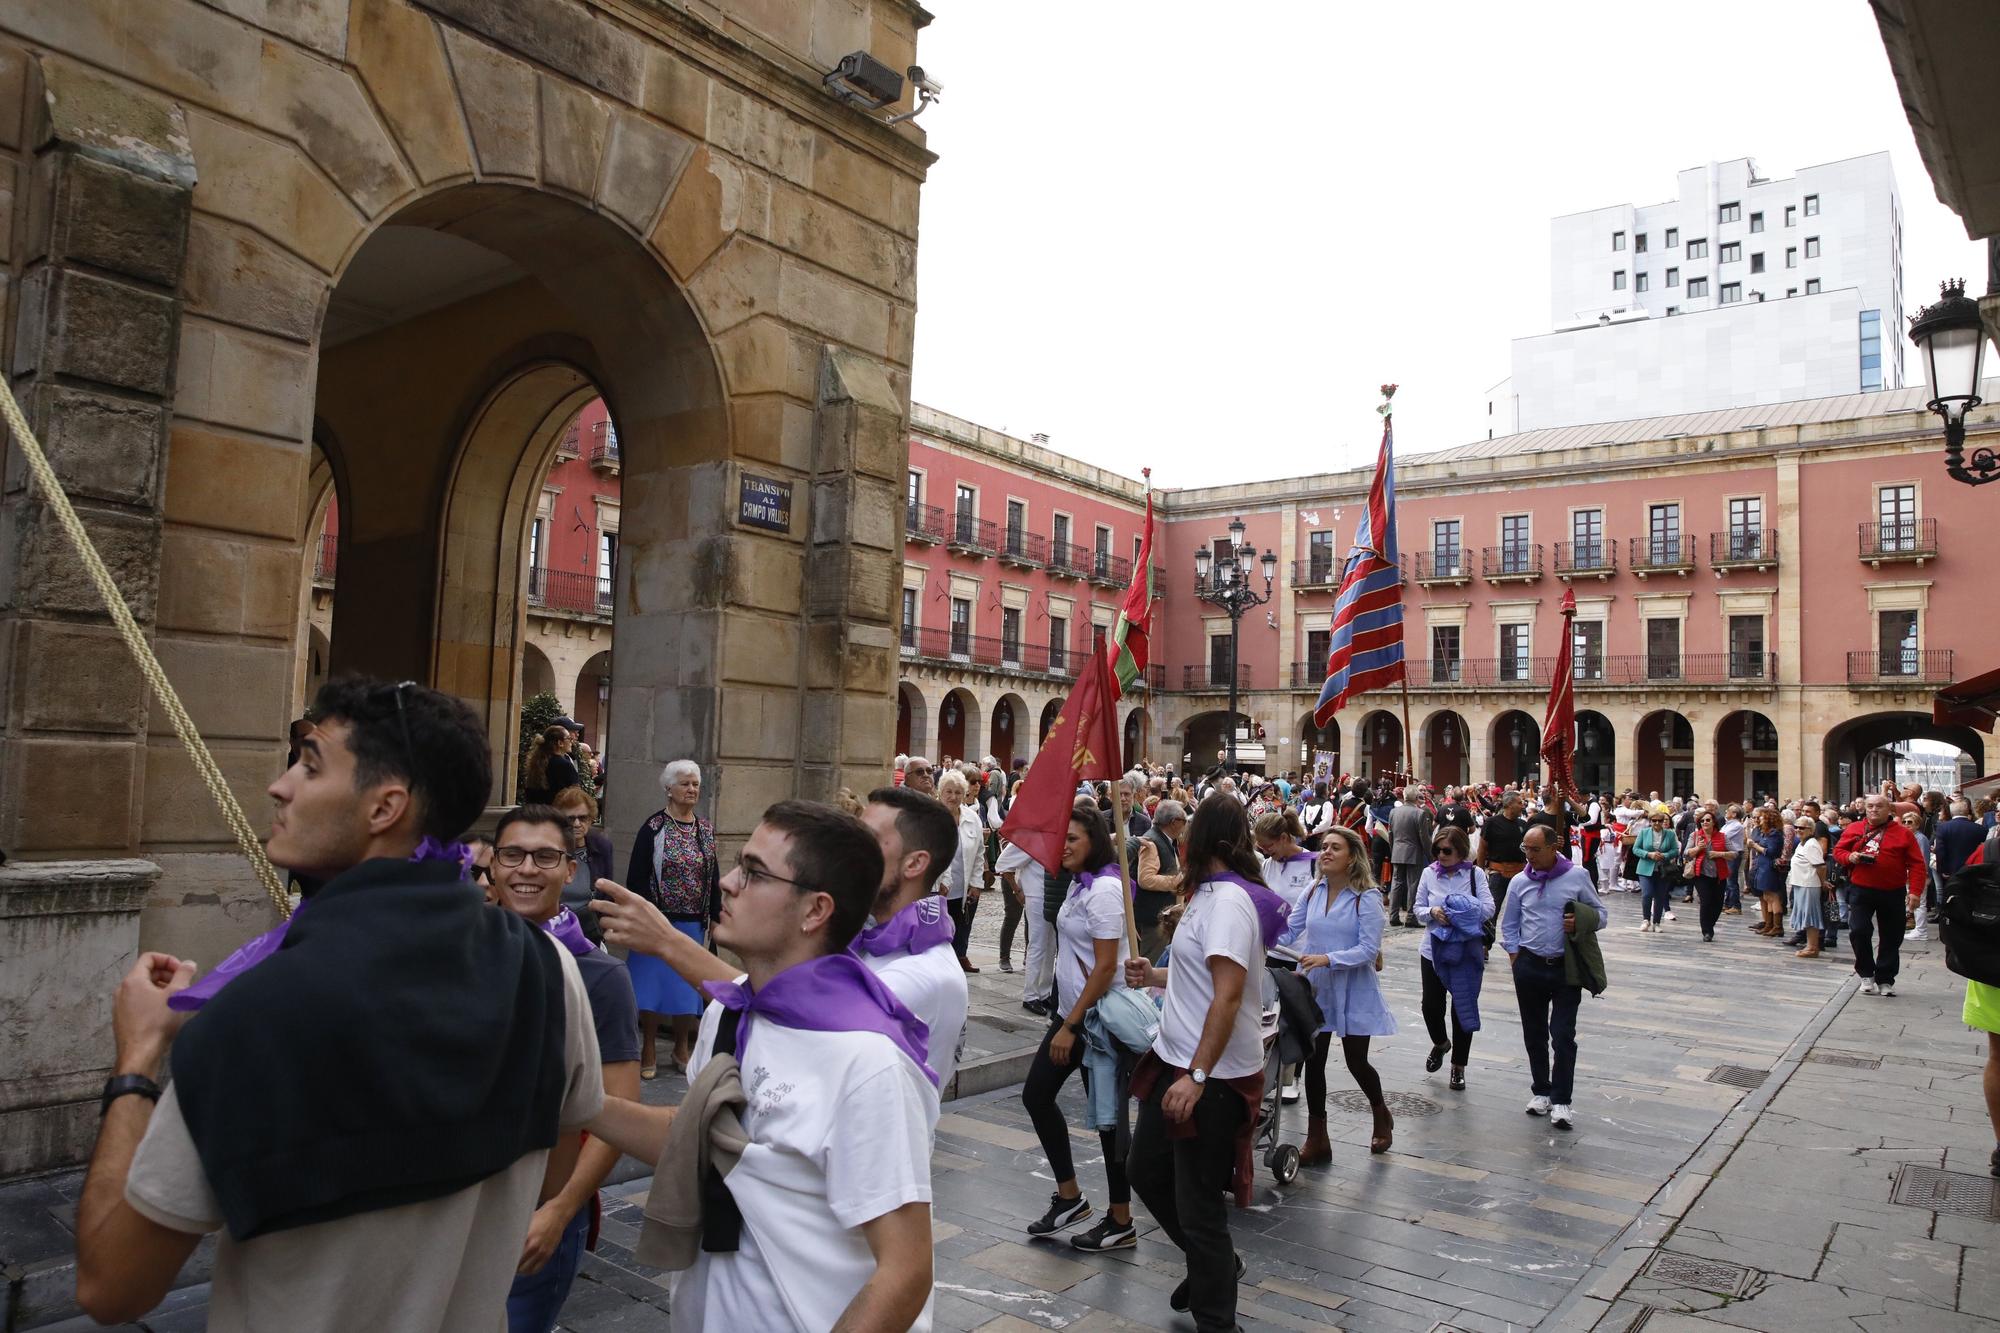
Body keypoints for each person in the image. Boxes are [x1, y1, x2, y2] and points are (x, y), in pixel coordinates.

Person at [74, 679, 604, 1331]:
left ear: (385, 806)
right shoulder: (546, 969)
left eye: (310, 762)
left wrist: (135, 1061)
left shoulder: (254, 1015)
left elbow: (111, 1286)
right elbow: (558, 1158)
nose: (281, 784)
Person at [585, 802, 936, 1332]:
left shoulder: (867, 1064)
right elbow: (699, 1139)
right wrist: (575, 1100)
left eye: (753, 872)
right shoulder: (732, 1012)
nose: (726, 882)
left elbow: (905, 1272)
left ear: (815, 911)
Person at [488, 805, 642, 1333]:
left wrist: (559, 1212)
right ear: (491, 864)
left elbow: (616, 1112)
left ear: (570, 869)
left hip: (537, 1214)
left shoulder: (600, 978)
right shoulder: (454, 957)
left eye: (545, 856)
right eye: (513, 854)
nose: (527, 869)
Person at [1120, 795, 1267, 1332]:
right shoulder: (1203, 895)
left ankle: (1218, 1319)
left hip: (1211, 1076)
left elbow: (1228, 996)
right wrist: (1153, 975)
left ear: (1204, 840)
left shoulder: (1228, 903)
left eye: (1188, 831)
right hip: (1173, 1058)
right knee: (1144, 1170)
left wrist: (1198, 1077)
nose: (1179, 838)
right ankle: (1217, 1269)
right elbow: (1199, 978)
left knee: (1199, 1204)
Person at [1020, 809, 1136, 1251]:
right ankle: (1070, 1197)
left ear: (1095, 843)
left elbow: (1106, 966)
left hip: (1092, 1021)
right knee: (1036, 1095)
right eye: (1060, 838)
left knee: (1108, 1120)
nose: (1063, 846)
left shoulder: (1104, 890)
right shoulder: (1078, 884)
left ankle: (1121, 1218)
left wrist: (1069, 1025)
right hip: (1070, 1014)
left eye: (1073, 839)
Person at [856, 786, 972, 1089]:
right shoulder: (871, 939)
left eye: (864, 841)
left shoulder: (920, 974)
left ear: (914, 864)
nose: (847, 849)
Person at [1499, 824, 1607, 1130]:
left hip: (1564, 967)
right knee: (1533, 1033)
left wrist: (1581, 922)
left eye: (1534, 849)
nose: (1529, 856)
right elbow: (1509, 923)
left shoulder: (1576, 876)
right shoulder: (1520, 881)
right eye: (1525, 849)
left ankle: (1562, 1099)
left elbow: (1601, 914)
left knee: (1562, 1034)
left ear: (1552, 847)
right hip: (1529, 964)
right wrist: (1514, 956)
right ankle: (1541, 1091)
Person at [623, 760, 717, 1077]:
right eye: (685, 784)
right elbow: (636, 877)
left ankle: (681, 1047)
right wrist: (646, 914)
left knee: (686, 989)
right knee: (650, 988)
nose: (692, 789)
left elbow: (713, 876)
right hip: (656, 921)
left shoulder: (704, 829)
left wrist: (715, 916)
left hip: (692, 921)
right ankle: (647, 1047)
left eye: (695, 784)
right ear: (669, 789)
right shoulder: (654, 828)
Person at [1414, 826, 1492, 1091]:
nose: (1441, 855)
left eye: (1447, 850)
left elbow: (1488, 908)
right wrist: (1433, 911)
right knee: (1430, 1006)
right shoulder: (1428, 873)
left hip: (1464, 951)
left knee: (1463, 1008)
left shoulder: (1475, 874)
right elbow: (1417, 909)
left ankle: (1458, 1067)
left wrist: (1462, 910)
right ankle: (1440, 1042)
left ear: (1460, 850)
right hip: (1432, 948)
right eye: (1437, 850)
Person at [1254, 808, 1318, 1104]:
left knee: (1296, 1015)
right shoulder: (1268, 865)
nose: (1265, 851)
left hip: (1303, 953)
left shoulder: (1312, 864)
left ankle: (1293, 1076)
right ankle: (1273, 1072)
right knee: (1271, 1015)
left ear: (1283, 838)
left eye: (1268, 846)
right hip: (1274, 949)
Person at [1834, 792, 1927, 996]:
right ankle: (1866, 973)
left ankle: (1885, 978)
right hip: (1861, 889)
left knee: (1891, 936)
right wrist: (1851, 856)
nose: (1874, 809)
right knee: (1858, 930)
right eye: (1870, 806)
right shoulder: (1854, 828)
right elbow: (1838, 852)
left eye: (1879, 806)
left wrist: (1915, 892)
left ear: (1889, 810)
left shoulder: (1903, 833)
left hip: (1892, 891)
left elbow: (1917, 865)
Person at [550, 786, 617, 944]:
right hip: (554, 927)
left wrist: (604, 928)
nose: (577, 824)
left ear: (591, 818)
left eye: (583, 818)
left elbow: (607, 891)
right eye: (570, 818)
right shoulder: (548, 846)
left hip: (590, 929)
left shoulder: (601, 846)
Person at [998, 833, 1055, 1015]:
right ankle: (1030, 995)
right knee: (1037, 944)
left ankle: (1045, 992)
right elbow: (1003, 864)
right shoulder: (1031, 836)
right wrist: (1017, 890)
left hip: (1053, 894)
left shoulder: (1055, 834)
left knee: (1051, 945)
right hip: (1036, 894)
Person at [938, 768, 984, 973]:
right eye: (948, 791)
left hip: (962, 887)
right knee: (938, 932)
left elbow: (979, 853)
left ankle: (959, 958)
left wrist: (976, 883)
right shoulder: (932, 817)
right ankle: (941, 967)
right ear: (940, 792)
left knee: (961, 926)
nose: (953, 796)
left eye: (958, 792)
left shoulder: (971, 818)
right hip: (937, 888)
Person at [1134, 799, 1187, 960]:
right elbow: (1145, 878)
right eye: (1183, 821)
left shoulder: (1163, 839)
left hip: (1160, 917)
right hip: (1153, 920)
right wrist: (1177, 881)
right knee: (1151, 963)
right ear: (1173, 822)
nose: (1184, 825)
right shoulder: (1152, 841)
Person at [1477, 791, 1528, 952]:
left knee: (1523, 911)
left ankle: (1523, 946)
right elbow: (1482, 848)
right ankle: (1484, 945)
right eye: (1519, 803)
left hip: (1520, 874)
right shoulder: (1492, 822)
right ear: (1509, 804)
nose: (1522, 806)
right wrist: (1479, 872)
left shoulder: (1523, 825)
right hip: (1498, 873)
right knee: (1492, 910)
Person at [1681, 810, 1736, 942]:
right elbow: (1686, 853)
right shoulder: (1695, 836)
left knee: (1717, 904)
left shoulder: (1722, 836)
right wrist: (1698, 848)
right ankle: (1707, 931)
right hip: (1701, 874)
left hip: (1719, 875)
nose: (1705, 822)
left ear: (1713, 822)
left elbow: (1734, 853)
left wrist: (1719, 854)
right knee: (1706, 902)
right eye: (1702, 821)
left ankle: (1709, 925)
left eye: (1708, 820)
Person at [1387, 788, 1432, 928]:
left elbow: (1390, 834)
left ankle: (1393, 915)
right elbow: (1424, 837)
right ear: (1416, 798)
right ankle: (1411, 916)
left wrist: (1393, 849)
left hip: (1397, 850)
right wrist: (1430, 855)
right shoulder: (1420, 813)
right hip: (1413, 852)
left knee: (1397, 883)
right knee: (1413, 885)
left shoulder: (1394, 812)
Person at [1786, 813, 1828, 958]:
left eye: (1802, 828)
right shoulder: (1803, 843)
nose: (1798, 830)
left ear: (1811, 829)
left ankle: (1812, 947)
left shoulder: (1811, 845)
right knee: (1806, 915)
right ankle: (1810, 945)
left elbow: (1821, 867)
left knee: (1810, 916)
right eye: (1796, 827)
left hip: (1809, 885)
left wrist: (1822, 884)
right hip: (1801, 883)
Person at [1632, 810, 1679, 932]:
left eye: (1660, 820)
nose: (1657, 823)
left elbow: (1675, 850)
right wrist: (1649, 854)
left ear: (1664, 821)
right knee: (1647, 894)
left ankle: (1656, 923)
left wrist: (1665, 855)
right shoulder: (1644, 832)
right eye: (1654, 820)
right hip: (1645, 869)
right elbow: (1635, 849)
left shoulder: (1669, 834)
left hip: (1663, 870)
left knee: (1660, 896)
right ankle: (1645, 919)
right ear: (1650, 821)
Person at [1749, 808, 1787, 937]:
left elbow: (1771, 852)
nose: (1759, 819)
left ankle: (1777, 926)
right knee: (1767, 896)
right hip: (1762, 867)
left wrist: (1755, 846)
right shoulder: (1766, 833)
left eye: (1762, 817)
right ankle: (1769, 924)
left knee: (1773, 897)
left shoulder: (1774, 834)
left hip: (1769, 868)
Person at [522, 723, 581, 804]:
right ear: (560, 743)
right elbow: (575, 795)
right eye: (569, 738)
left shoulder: (537, 762)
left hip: (536, 812)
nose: (572, 742)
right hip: (556, 813)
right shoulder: (565, 765)